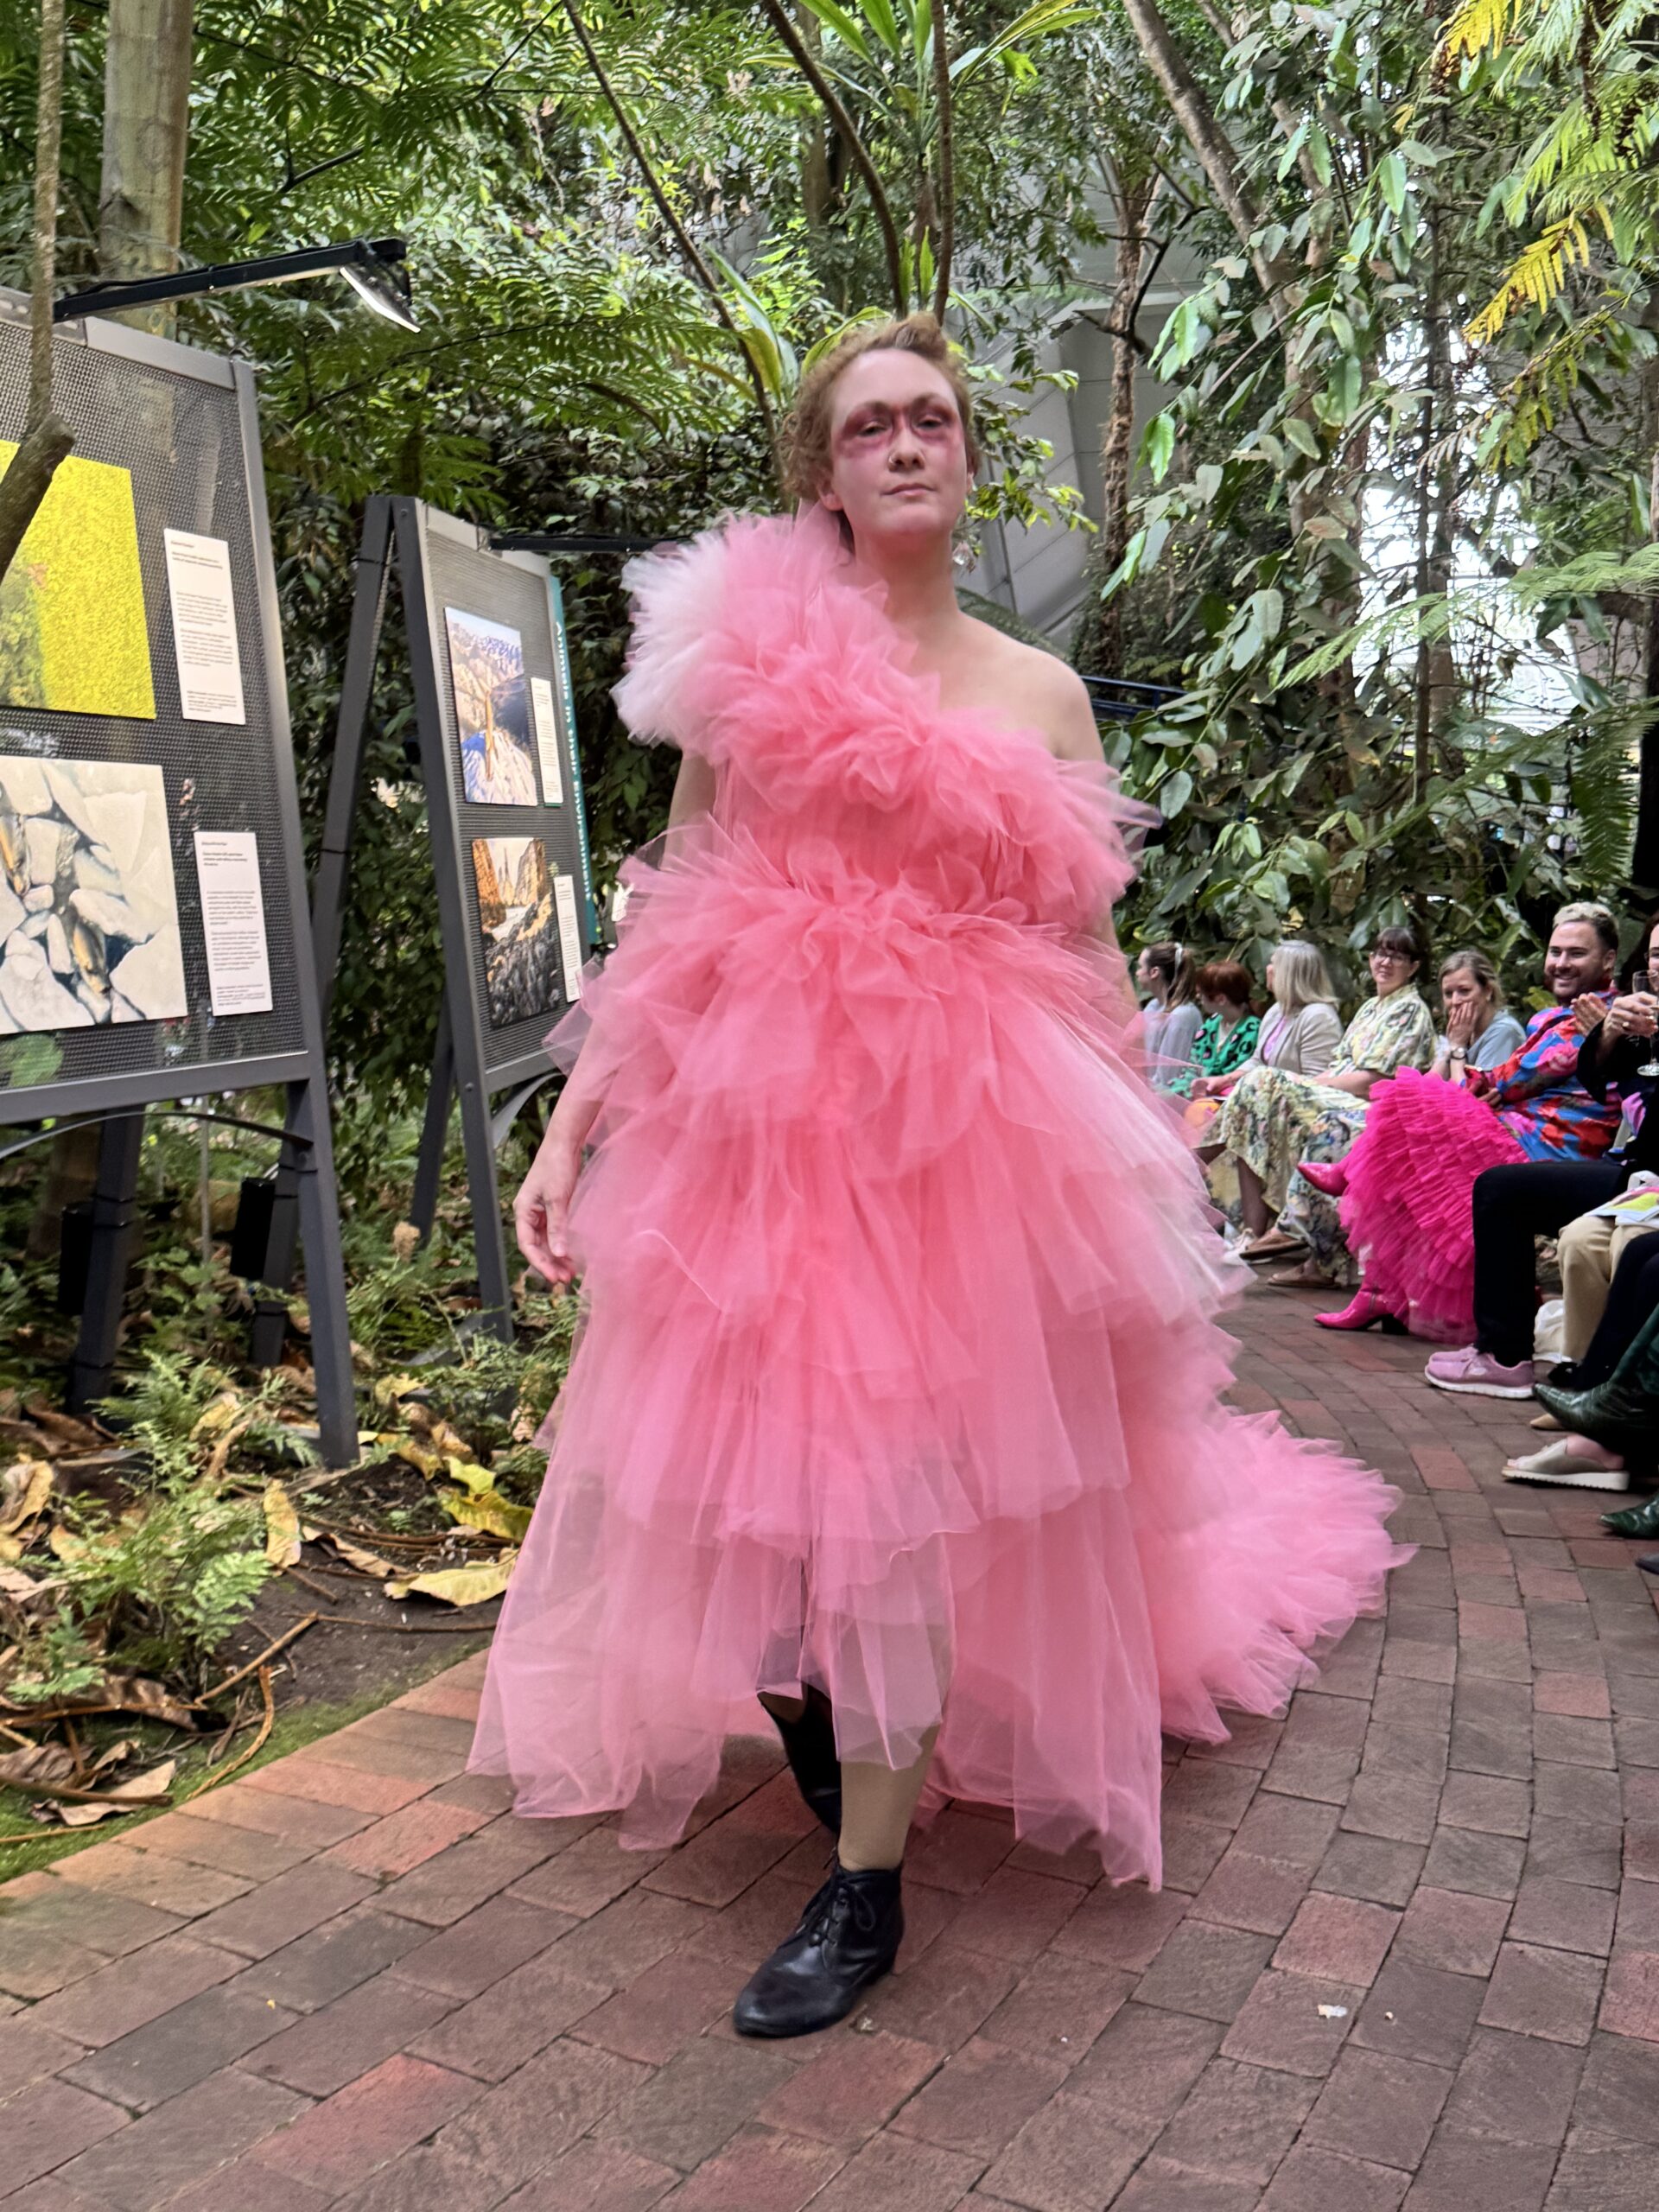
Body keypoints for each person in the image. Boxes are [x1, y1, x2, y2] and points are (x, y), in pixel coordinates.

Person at [469, 312, 1405, 2042]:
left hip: (966, 1157)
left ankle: (867, 1885)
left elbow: (1085, 949)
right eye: (870, 425)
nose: (907, 443)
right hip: (756, 1150)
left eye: (934, 420)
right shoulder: (749, 662)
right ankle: (836, 1738)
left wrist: (1143, 1168)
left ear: (968, 458)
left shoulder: (1038, 693)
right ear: (822, 472)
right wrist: (577, 1122)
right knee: (743, 1522)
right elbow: (676, 907)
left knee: (890, 1502)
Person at [1329, 904, 1623, 1344]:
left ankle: (1355, 1195)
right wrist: (1484, 1081)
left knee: (1411, 1107)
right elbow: (1502, 1084)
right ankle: (1380, 1290)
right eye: (1556, 951)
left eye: (1576, 953)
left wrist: (1478, 1072)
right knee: (1415, 1151)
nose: (1562, 962)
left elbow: (1510, 1078)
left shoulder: (1598, 1016)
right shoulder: (1551, 1017)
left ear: (1608, 959)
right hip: (1518, 1129)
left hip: (1554, 1148)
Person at [1290, 950, 1527, 1305]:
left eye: (1464, 991)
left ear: (1488, 990)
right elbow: (1429, 1084)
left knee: (1398, 1159)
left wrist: (1457, 1049)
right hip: (1462, 1126)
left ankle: (1375, 1289)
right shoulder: (1461, 1030)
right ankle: (1377, 1289)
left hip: (1491, 1136)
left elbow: (1471, 1092)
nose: (1456, 1001)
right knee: (1400, 1106)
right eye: (1449, 993)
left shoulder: (1502, 1031)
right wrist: (1451, 1050)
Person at [1205, 924, 1435, 1262]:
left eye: (1397, 957)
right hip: (1339, 1095)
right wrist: (1305, 1083)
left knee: (1261, 1082)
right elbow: (1336, 1066)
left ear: (1413, 966)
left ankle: (1194, 1160)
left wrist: (1309, 1085)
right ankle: (1250, 1232)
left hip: (1372, 1106)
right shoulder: (1371, 1007)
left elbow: (1373, 1079)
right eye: (1380, 953)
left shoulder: (1410, 1009)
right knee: (1255, 1092)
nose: (1385, 962)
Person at [1166, 960, 1260, 1102]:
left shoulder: (1252, 1030)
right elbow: (1193, 1065)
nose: (1198, 997)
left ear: (1221, 999)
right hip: (1196, 1092)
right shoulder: (1211, 1023)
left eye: (1201, 993)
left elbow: (1238, 1075)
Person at [1137, 941, 1201, 1094]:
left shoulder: (1182, 1015)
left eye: (1140, 967)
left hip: (1167, 1096)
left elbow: (1169, 1076)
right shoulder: (1153, 1006)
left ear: (1154, 972)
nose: (1137, 972)